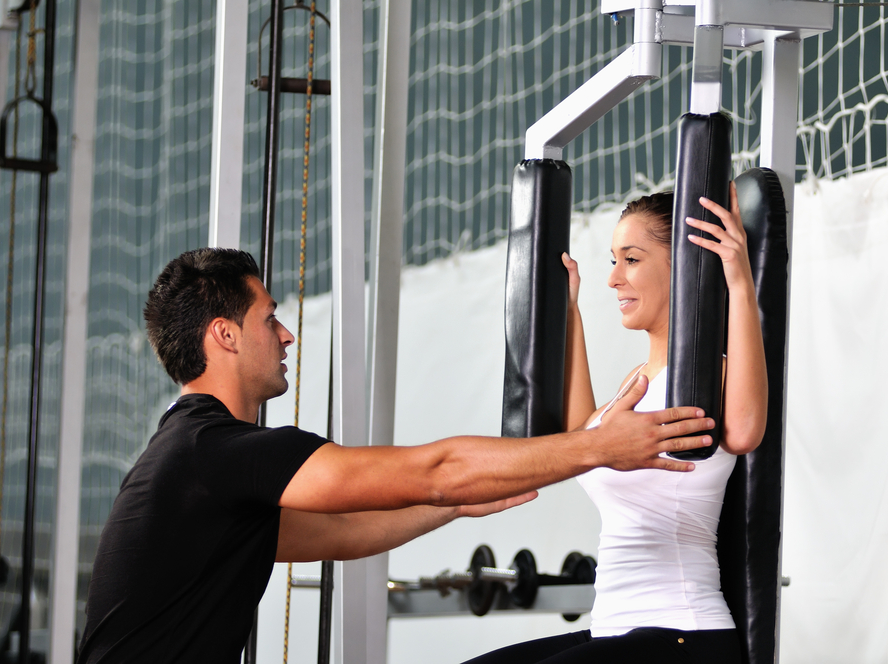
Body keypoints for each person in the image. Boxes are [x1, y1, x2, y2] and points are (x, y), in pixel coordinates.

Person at [77, 247, 718, 663]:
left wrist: (456, 507)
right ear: (224, 335)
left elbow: (340, 532)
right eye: (269, 318)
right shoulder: (213, 451)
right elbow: (434, 470)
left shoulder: (196, 460)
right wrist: (599, 446)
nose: (285, 334)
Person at [463, 184, 768, 664]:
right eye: (613, 261)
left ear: (683, 267)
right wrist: (569, 313)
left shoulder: (712, 375)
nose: (614, 279)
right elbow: (581, 437)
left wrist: (738, 277)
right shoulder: (640, 380)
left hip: (683, 636)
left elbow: (746, 431)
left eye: (632, 259)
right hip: (615, 632)